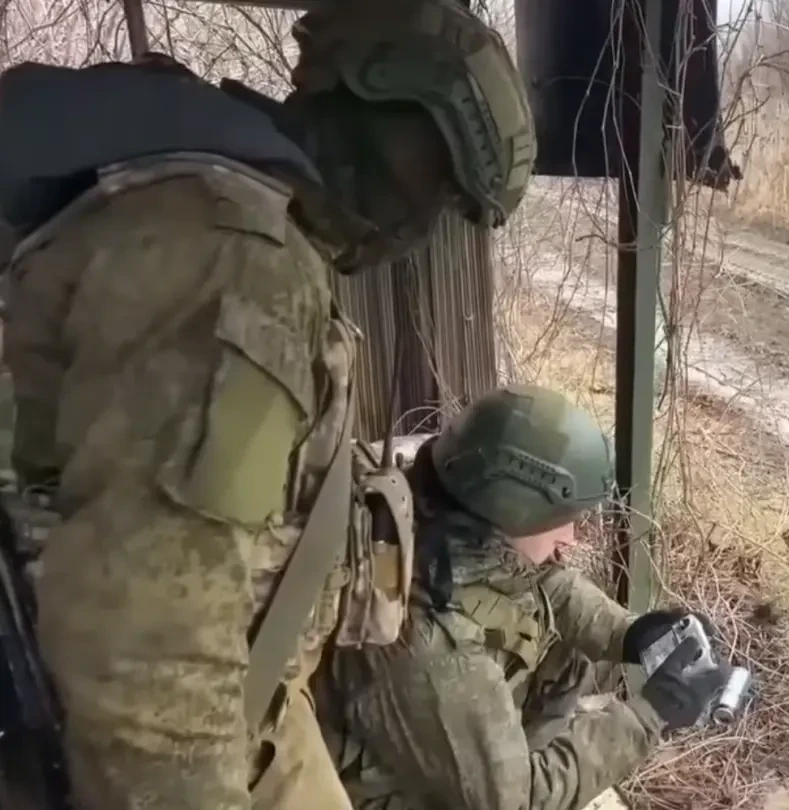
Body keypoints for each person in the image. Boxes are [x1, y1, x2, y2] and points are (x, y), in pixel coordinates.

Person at [0, 0, 534, 808]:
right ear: (372, 91)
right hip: (140, 738)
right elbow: (151, 657)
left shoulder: (233, 214)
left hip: (245, 700)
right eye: (434, 177)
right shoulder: (234, 260)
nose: (423, 225)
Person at [316, 383, 730, 810]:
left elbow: (535, 581)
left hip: (429, 747)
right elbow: (518, 801)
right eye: (562, 520)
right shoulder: (434, 646)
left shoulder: (440, 514)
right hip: (394, 794)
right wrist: (648, 716)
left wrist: (630, 634)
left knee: (558, 643)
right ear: (513, 511)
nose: (571, 537)